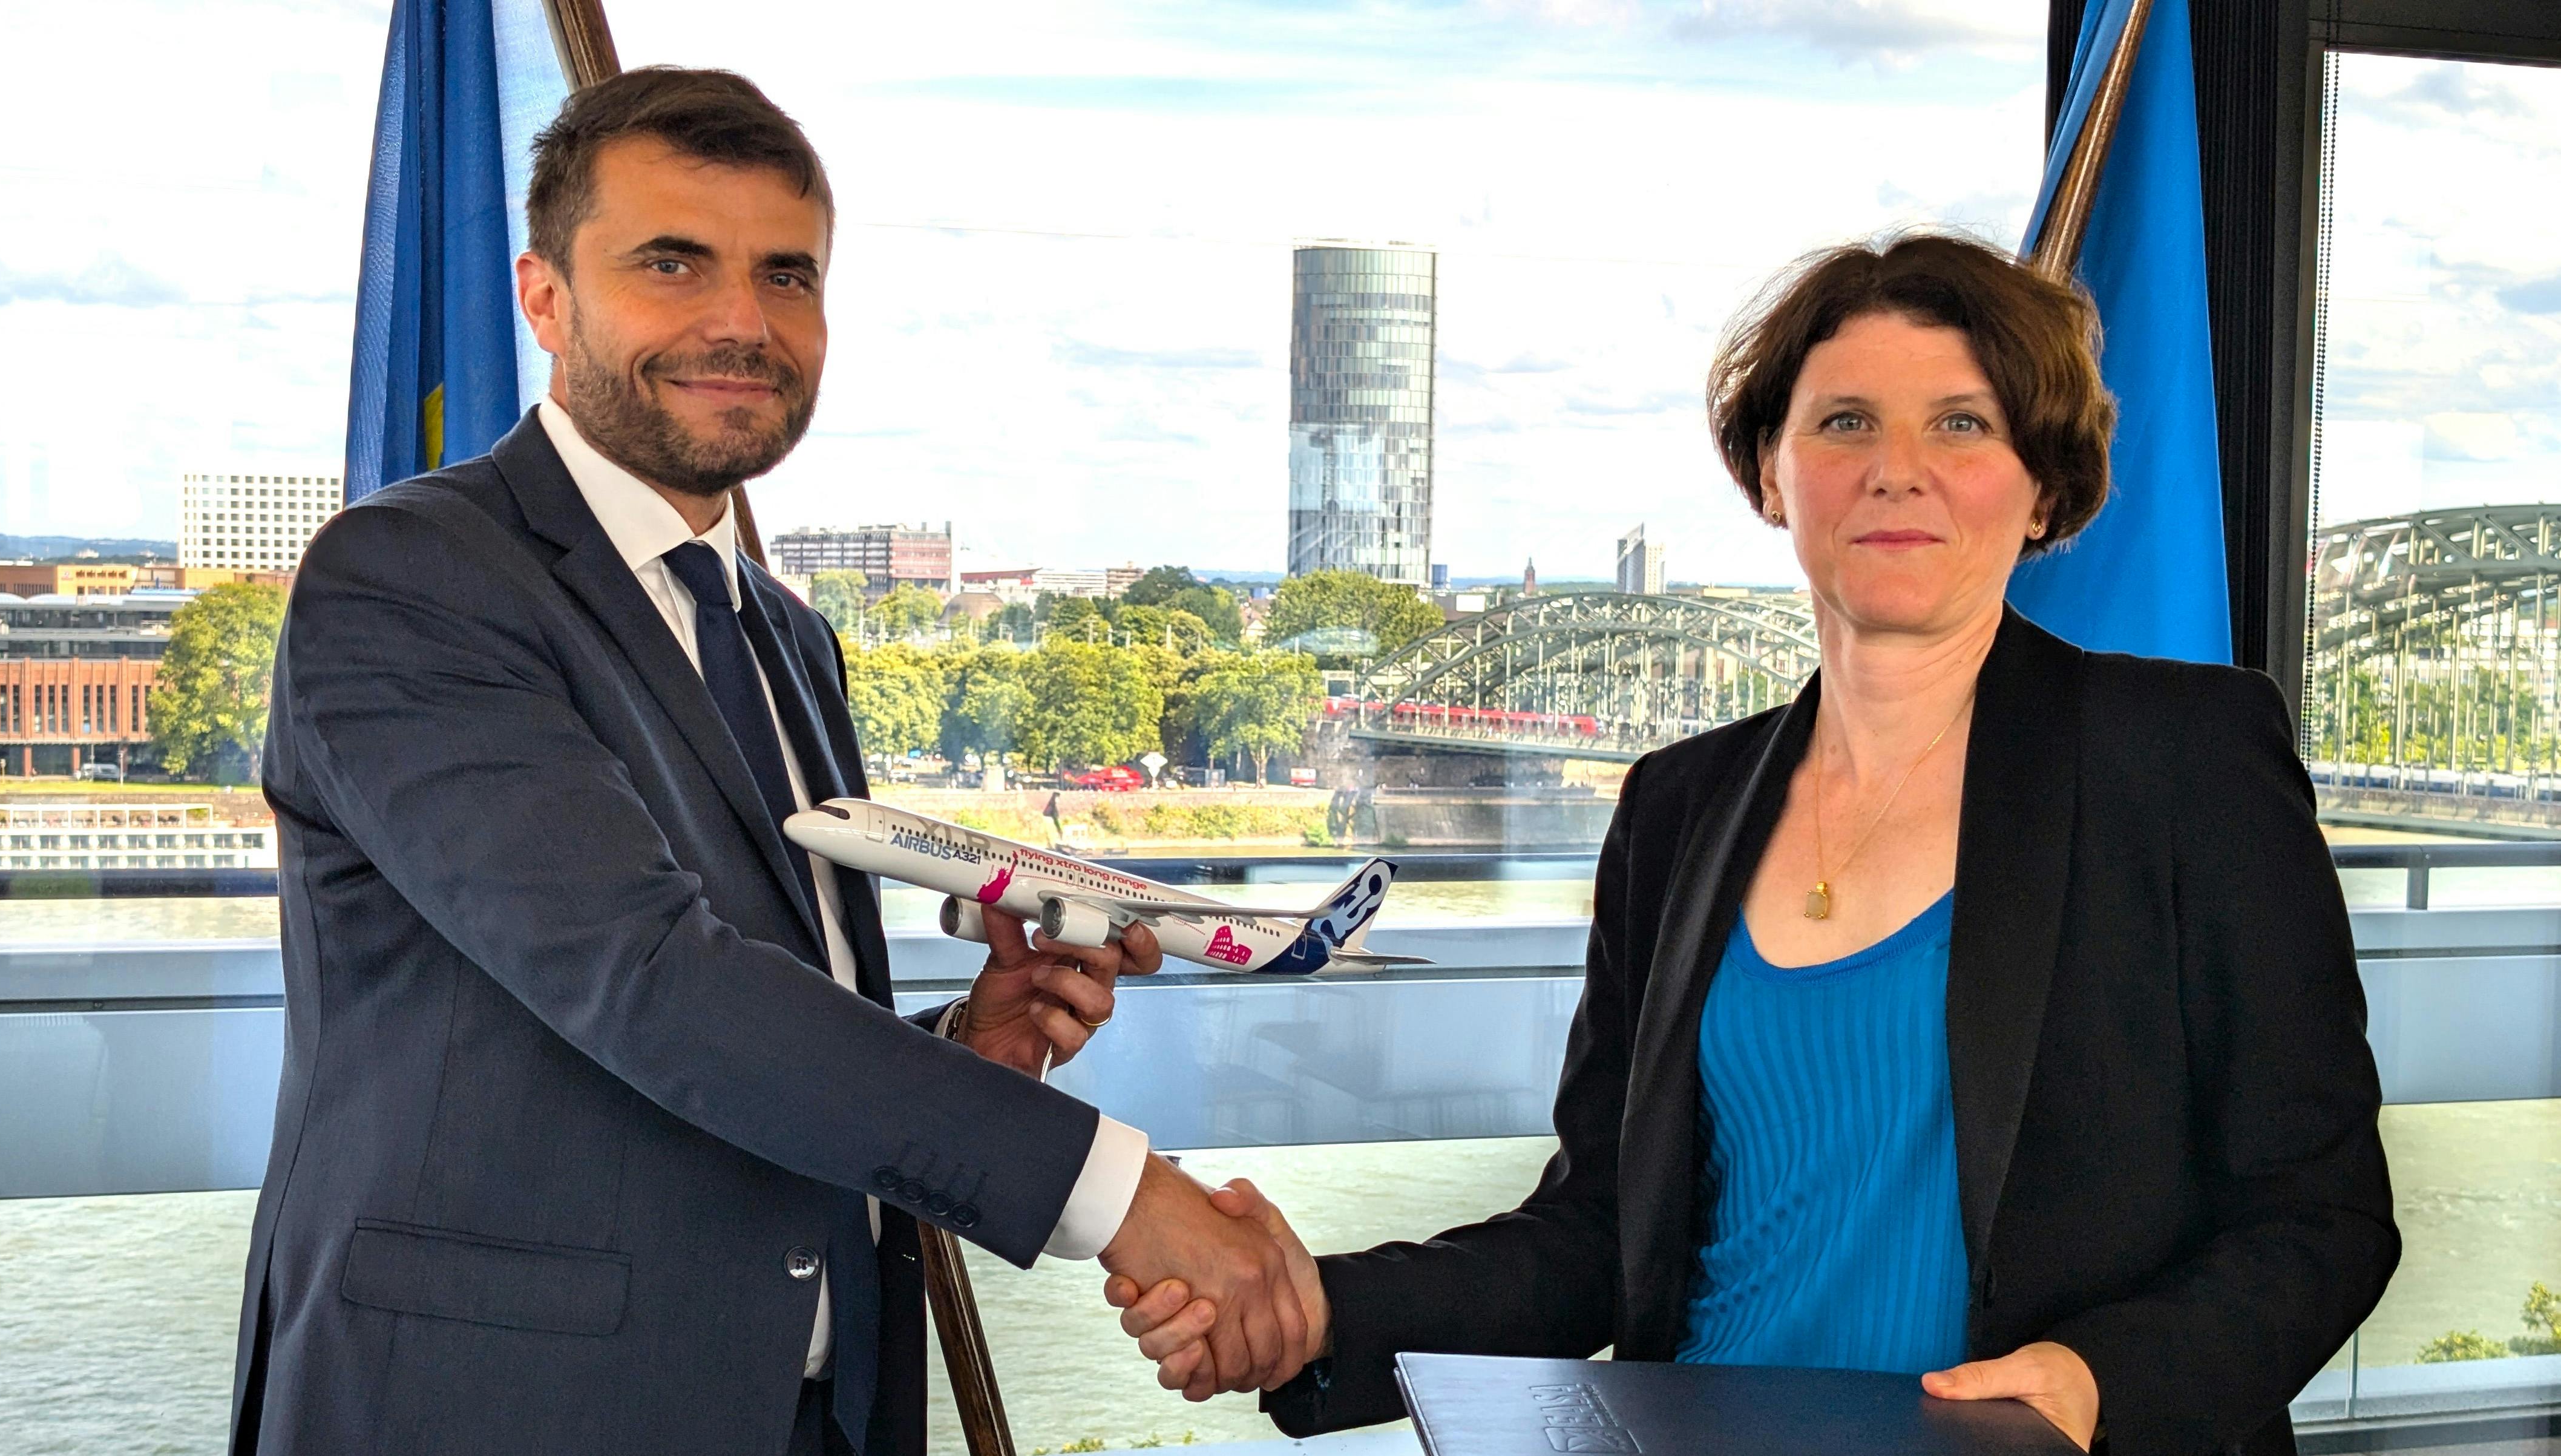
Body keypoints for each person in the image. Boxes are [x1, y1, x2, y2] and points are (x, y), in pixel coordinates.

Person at [1107, 234, 2400, 1455]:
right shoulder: (1678, 808)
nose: (1897, 468)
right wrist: (1317, 1309)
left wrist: (2096, 1385)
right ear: (1769, 474)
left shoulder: (2182, 761)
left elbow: (2321, 1216)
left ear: (2044, 480)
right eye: (1843, 423)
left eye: (1961, 422)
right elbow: (1606, 1234)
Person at [229, 68, 1308, 1456]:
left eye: (786, 275)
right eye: (671, 262)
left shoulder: (785, 637)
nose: (742, 321)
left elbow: (746, 1049)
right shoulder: (411, 579)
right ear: (545, 297)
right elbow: (650, 985)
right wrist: (1131, 1199)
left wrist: (969, 1058)